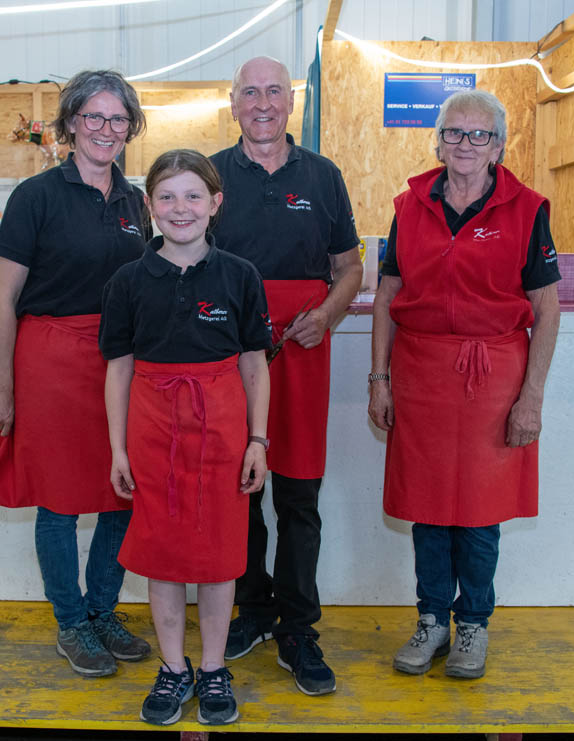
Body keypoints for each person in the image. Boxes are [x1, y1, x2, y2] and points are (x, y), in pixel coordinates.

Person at [368, 89, 560, 680]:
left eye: (480, 135)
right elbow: (388, 297)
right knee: (427, 509)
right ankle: (431, 620)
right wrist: (379, 379)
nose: (466, 144)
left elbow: (547, 309)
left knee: (479, 513)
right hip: (420, 375)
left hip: (493, 381)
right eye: (454, 132)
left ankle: (473, 623)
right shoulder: (409, 206)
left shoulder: (528, 209)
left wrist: (531, 397)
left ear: (499, 145)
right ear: (439, 141)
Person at [0, 69, 152, 678]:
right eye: (94, 116)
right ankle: (71, 622)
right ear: (72, 123)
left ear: (130, 127)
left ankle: (102, 611)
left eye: (118, 118)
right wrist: (3, 386)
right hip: (50, 360)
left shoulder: (136, 201)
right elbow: (3, 301)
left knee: (122, 490)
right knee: (58, 502)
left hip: (120, 361)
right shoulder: (36, 197)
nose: (107, 129)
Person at [99, 149, 272, 726]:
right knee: (164, 555)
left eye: (194, 196)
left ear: (215, 203)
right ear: (149, 206)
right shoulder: (127, 282)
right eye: (167, 197)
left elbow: (255, 364)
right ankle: (174, 668)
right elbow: (119, 369)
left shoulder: (240, 276)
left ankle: (215, 668)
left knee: (221, 556)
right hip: (152, 430)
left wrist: (257, 440)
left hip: (223, 429)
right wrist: (118, 448)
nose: (181, 208)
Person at [208, 56, 363, 697]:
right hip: (229, 349)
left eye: (274, 91)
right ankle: (252, 608)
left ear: (291, 101)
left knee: (298, 494)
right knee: (238, 489)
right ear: (233, 103)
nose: (263, 103)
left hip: (303, 345)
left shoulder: (323, 176)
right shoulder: (209, 174)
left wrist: (326, 315)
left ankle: (298, 626)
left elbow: (350, 268)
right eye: (250, 93)